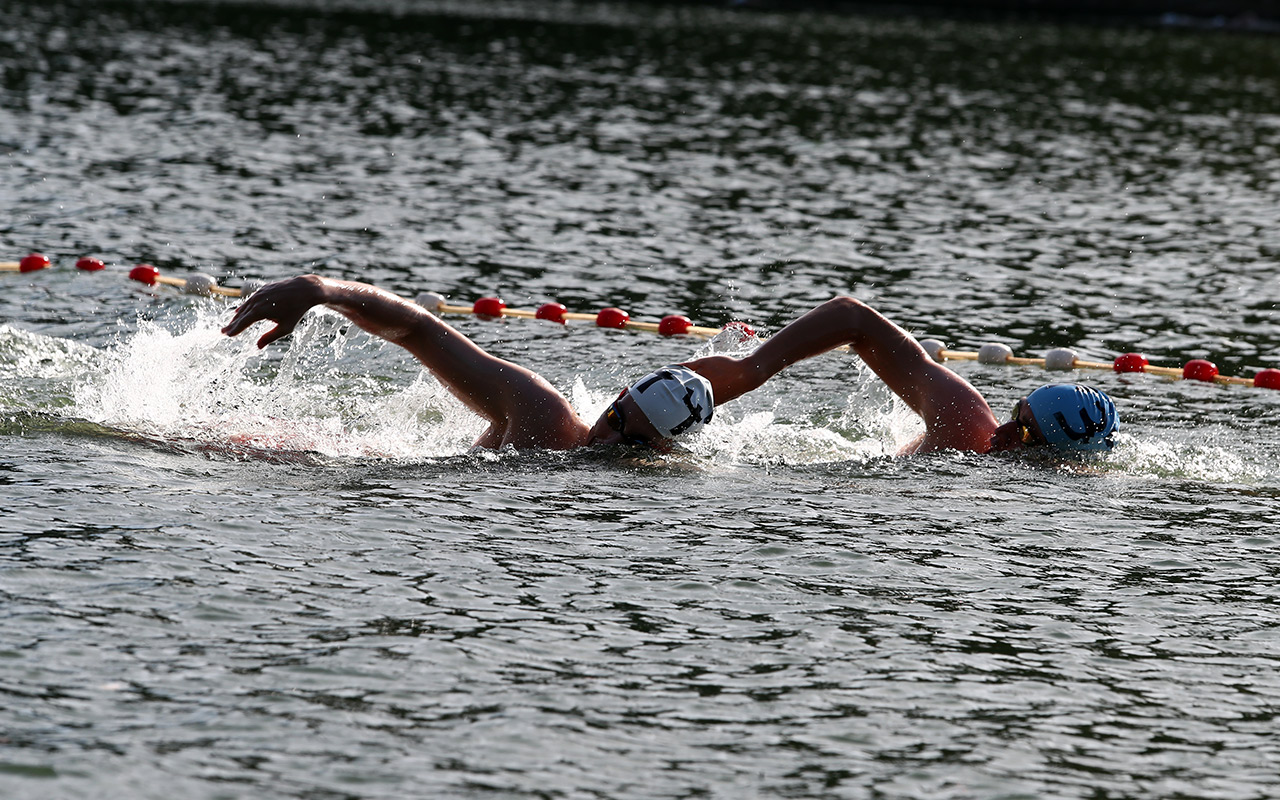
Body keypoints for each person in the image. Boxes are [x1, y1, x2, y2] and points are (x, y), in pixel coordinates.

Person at [221, 275, 1118, 456]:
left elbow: (421, 330)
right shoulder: (545, 416)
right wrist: (319, 288)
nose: (609, 437)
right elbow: (423, 331)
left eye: (625, 430)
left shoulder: (557, 431)